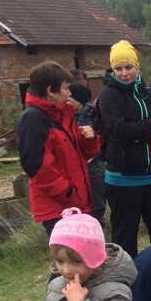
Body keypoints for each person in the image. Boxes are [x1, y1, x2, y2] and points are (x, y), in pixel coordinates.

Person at [96, 40, 151, 258]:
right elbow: (119, 129)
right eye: (118, 68)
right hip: (123, 179)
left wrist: (145, 127)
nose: (124, 73)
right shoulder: (108, 96)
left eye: (128, 67)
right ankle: (127, 285)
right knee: (125, 238)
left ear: (137, 66)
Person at [18, 61, 101, 236]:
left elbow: (79, 155)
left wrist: (89, 139)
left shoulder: (62, 115)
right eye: (65, 88)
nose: (69, 93)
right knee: (70, 261)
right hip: (59, 209)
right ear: (50, 91)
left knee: (85, 259)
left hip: (76, 203)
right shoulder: (33, 119)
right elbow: (38, 168)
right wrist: (69, 193)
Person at [67, 83, 106, 227]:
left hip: (95, 172)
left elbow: (104, 139)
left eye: (70, 98)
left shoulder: (94, 115)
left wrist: (94, 155)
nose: (67, 100)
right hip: (74, 174)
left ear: (78, 100)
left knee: (96, 212)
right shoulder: (65, 118)